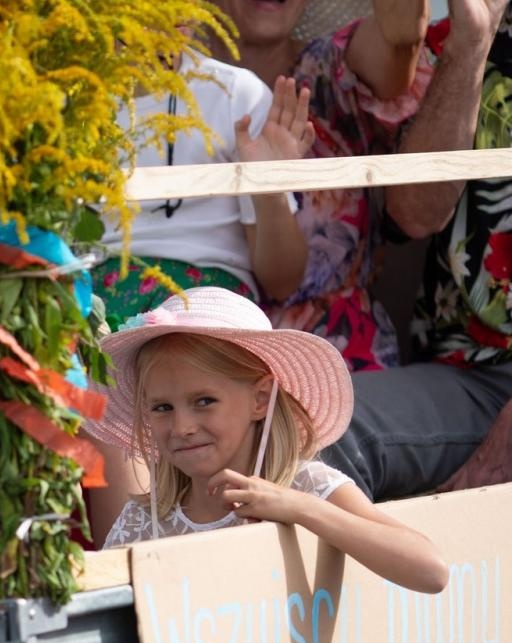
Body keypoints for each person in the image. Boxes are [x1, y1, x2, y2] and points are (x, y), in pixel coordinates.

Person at [84, 288, 447, 594]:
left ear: (260, 400)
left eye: (204, 401)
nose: (182, 427)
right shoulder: (146, 518)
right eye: (162, 407)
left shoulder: (304, 486)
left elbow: (430, 570)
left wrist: (299, 508)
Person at [324, 0, 512, 500]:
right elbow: (413, 212)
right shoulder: (460, 36)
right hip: (471, 377)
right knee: (321, 436)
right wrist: (472, 44)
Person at [203, 0, 433, 371]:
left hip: (335, 353)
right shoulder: (171, 88)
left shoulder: (331, 68)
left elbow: (396, 49)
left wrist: (405, 32)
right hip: (197, 358)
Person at [103, 64, 312, 320]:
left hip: (210, 304)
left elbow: (281, 283)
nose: (177, 22)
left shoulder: (235, 92)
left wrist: (270, 193)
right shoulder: (67, 99)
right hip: (92, 294)